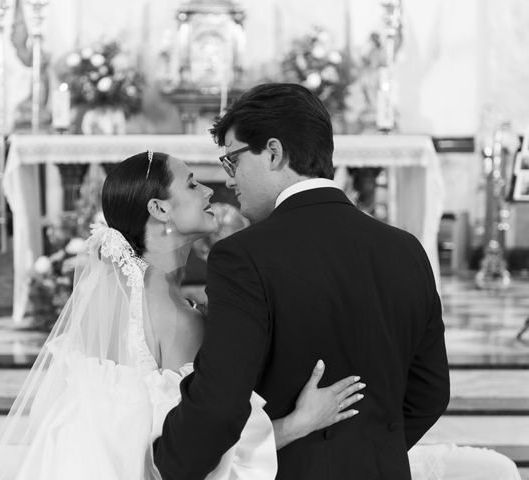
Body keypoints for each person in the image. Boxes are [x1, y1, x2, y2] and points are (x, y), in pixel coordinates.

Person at [0, 151, 364, 480]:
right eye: (193, 183)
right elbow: (192, 456)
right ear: (160, 209)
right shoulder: (181, 322)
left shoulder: (130, 302)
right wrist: (299, 424)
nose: (209, 191)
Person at [152, 82, 450, 479]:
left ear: (273, 153)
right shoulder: (406, 249)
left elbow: (219, 404)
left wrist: (168, 463)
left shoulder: (243, 256)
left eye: (233, 162)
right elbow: (430, 393)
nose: (231, 181)